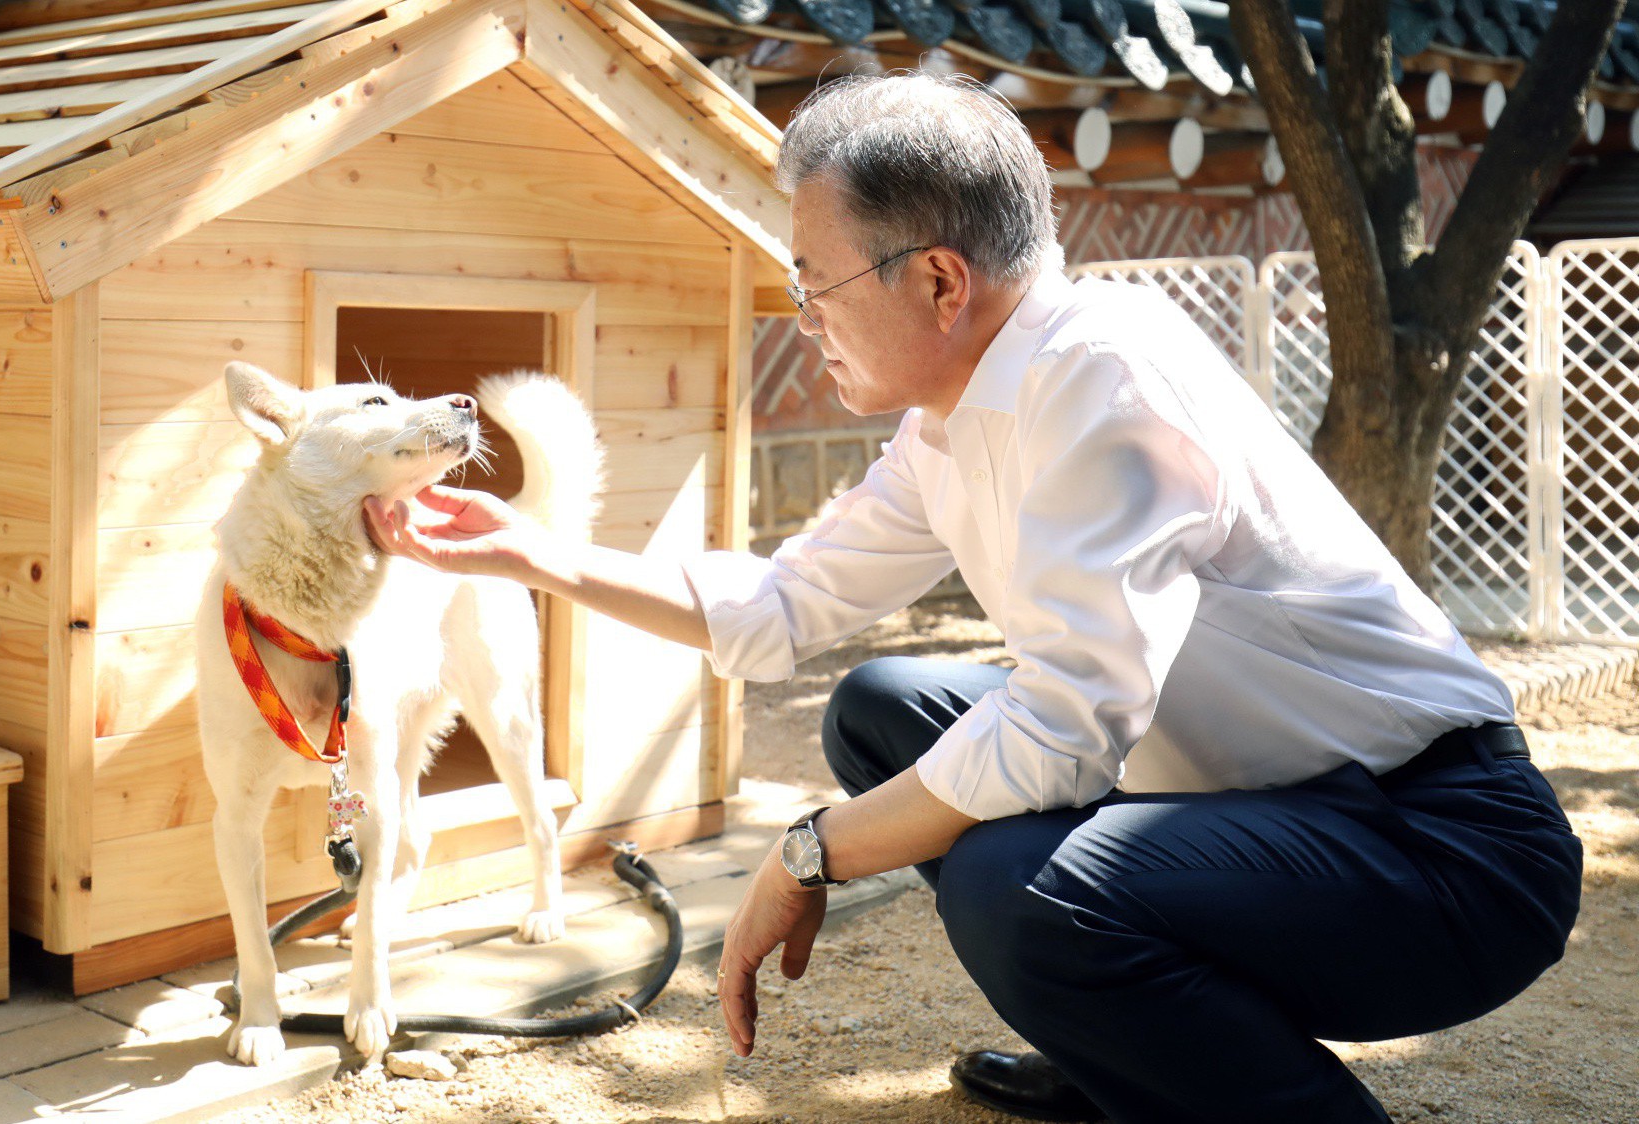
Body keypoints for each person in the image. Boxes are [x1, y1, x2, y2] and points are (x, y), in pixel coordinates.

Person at [362, 71, 1584, 1124]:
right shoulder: (952, 416)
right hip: (1263, 803)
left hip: (1438, 848)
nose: (803, 317)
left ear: (939, 281)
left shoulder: (1099, 379)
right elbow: (778, 606)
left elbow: (1059, 729)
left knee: (1020, 885)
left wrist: (807, 850)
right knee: (885, 707)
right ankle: (1127, 1047)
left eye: (813, 281)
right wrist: (530, 553)